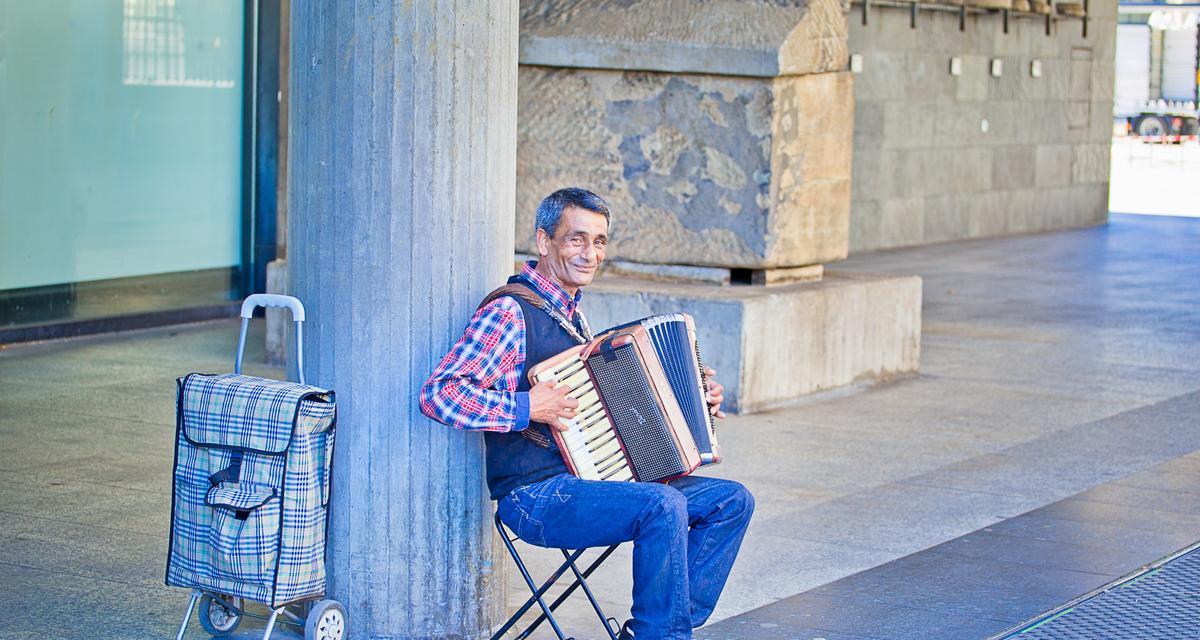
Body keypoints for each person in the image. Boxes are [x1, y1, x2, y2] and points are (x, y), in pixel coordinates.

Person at [420, 187, 754, 640]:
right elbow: (439, 394)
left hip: (589, 481)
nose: (590, 253)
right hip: (534, 498)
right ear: (544, 242)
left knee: (730, 502)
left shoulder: (574, 318)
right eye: (577, 239)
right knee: (663, 504)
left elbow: (618, 410)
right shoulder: (510, 313)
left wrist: (692, 395)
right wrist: (525, 406)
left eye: (599, 241)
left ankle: (660, 629)